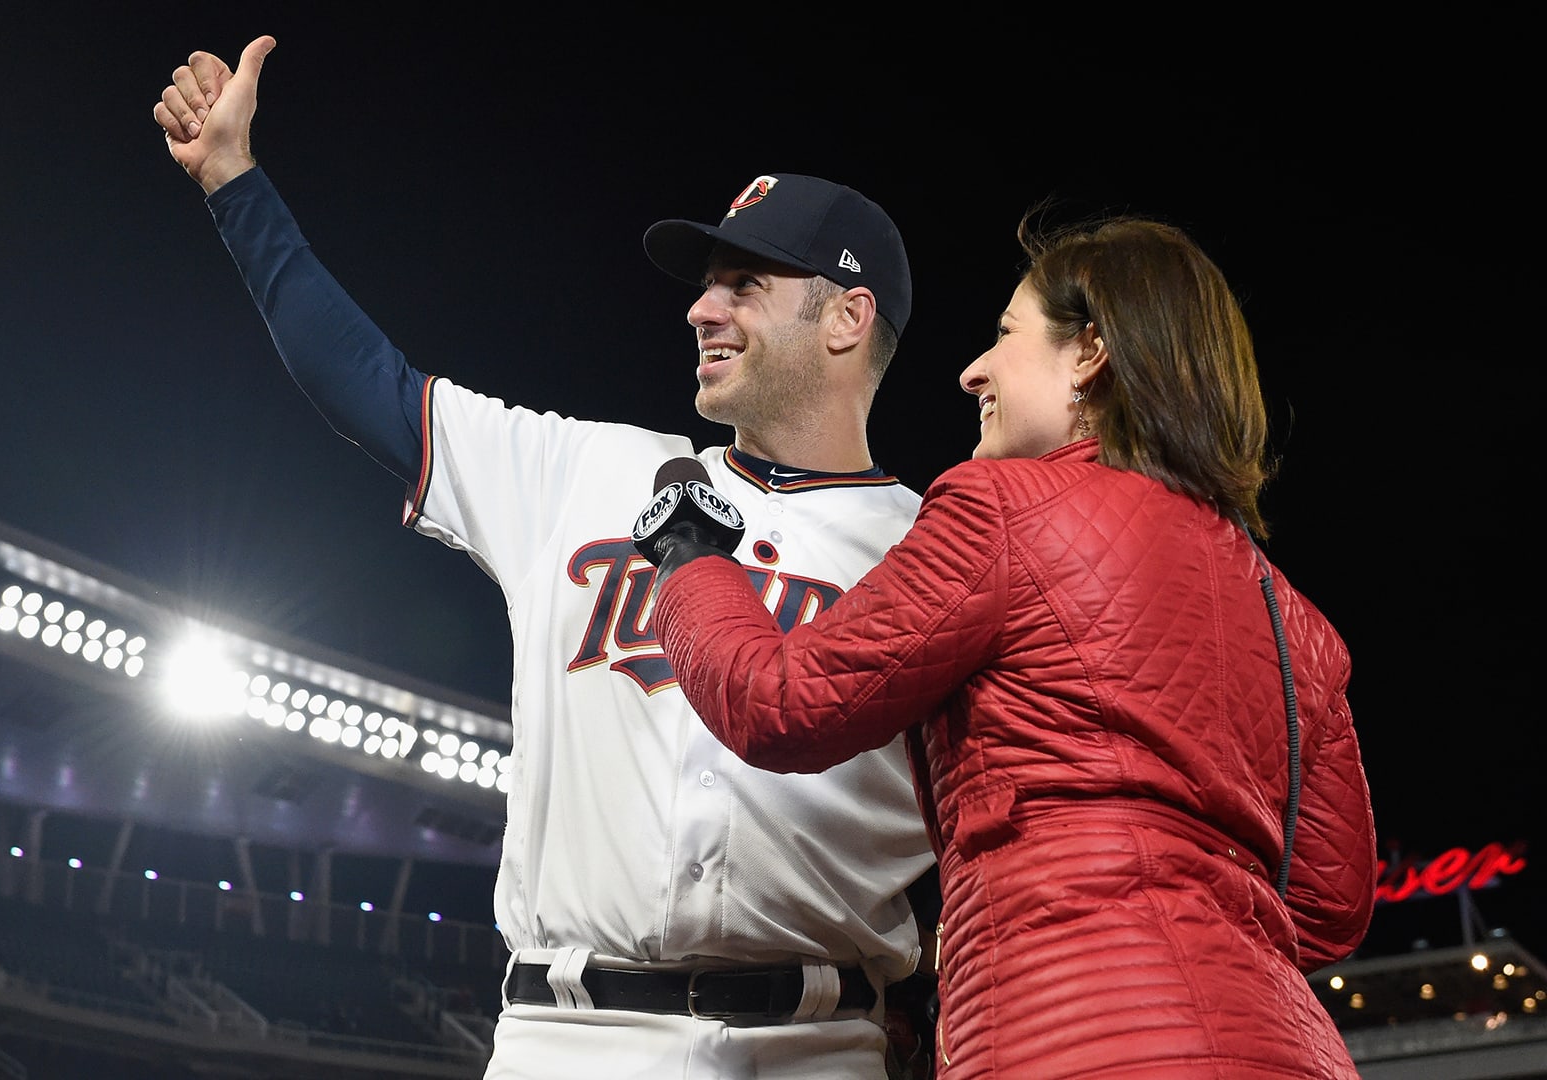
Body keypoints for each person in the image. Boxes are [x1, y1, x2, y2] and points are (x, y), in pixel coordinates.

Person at [153, 34, 939, 1080]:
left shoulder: (944, 549)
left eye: (746, 285)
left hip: (820, 1045)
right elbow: (367, 386)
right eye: (708, 285)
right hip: (566, 1039)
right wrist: (232, 181)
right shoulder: (587, 470)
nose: (702, 307)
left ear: (848, 319)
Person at [640, 212, 1377, 1078]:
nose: (972, 371)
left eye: (1004, 335)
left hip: (1075, 1038)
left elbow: (779, 704)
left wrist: (687, 552)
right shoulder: (1300, 624)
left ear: (1091, 353)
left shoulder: (1002, 507)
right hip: (1287, 1047)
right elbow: (1328, 908)